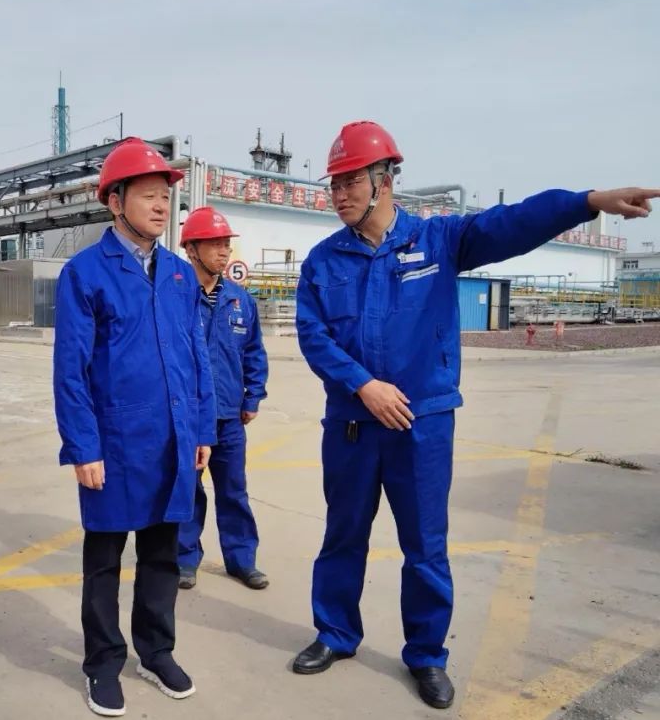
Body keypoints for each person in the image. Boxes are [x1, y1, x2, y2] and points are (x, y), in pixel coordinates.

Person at [291, 119, 659, 710]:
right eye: (333, 184)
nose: (339, 194)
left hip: (422, 424)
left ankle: (426, 655)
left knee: (425, 546)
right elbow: (313, 336)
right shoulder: (323, 261)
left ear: (385, 180)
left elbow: (512, 223)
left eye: (350, 181)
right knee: (343, 536)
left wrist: (587, 202)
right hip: (354, 424)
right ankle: (335, 633)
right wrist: (364, 386)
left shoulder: (438, 241)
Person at [53, 137, 217, 717]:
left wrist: (201, 430)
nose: (161, 206)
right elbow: (70, 369)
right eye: (148, 195)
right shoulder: (85, 273)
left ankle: (156, 651)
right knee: (104, 559)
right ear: (115, 201)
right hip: (114, 444)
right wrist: (83, 446)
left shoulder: (179, 275)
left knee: (162, 554)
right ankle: (103, 663)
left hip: (173, 440)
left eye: (165, 197)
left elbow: (196, 356)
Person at [175, 206, 269, 590]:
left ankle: (242, 560)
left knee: (234, 492)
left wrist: (253, 396)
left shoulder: (239, 300)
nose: (224, 250)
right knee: (188, 490)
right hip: (188, 416)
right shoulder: (175, 298)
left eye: (226, 243)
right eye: (215, 243)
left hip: (229, 417)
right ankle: (184, 559)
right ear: (191, 249)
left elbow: (254, 352)